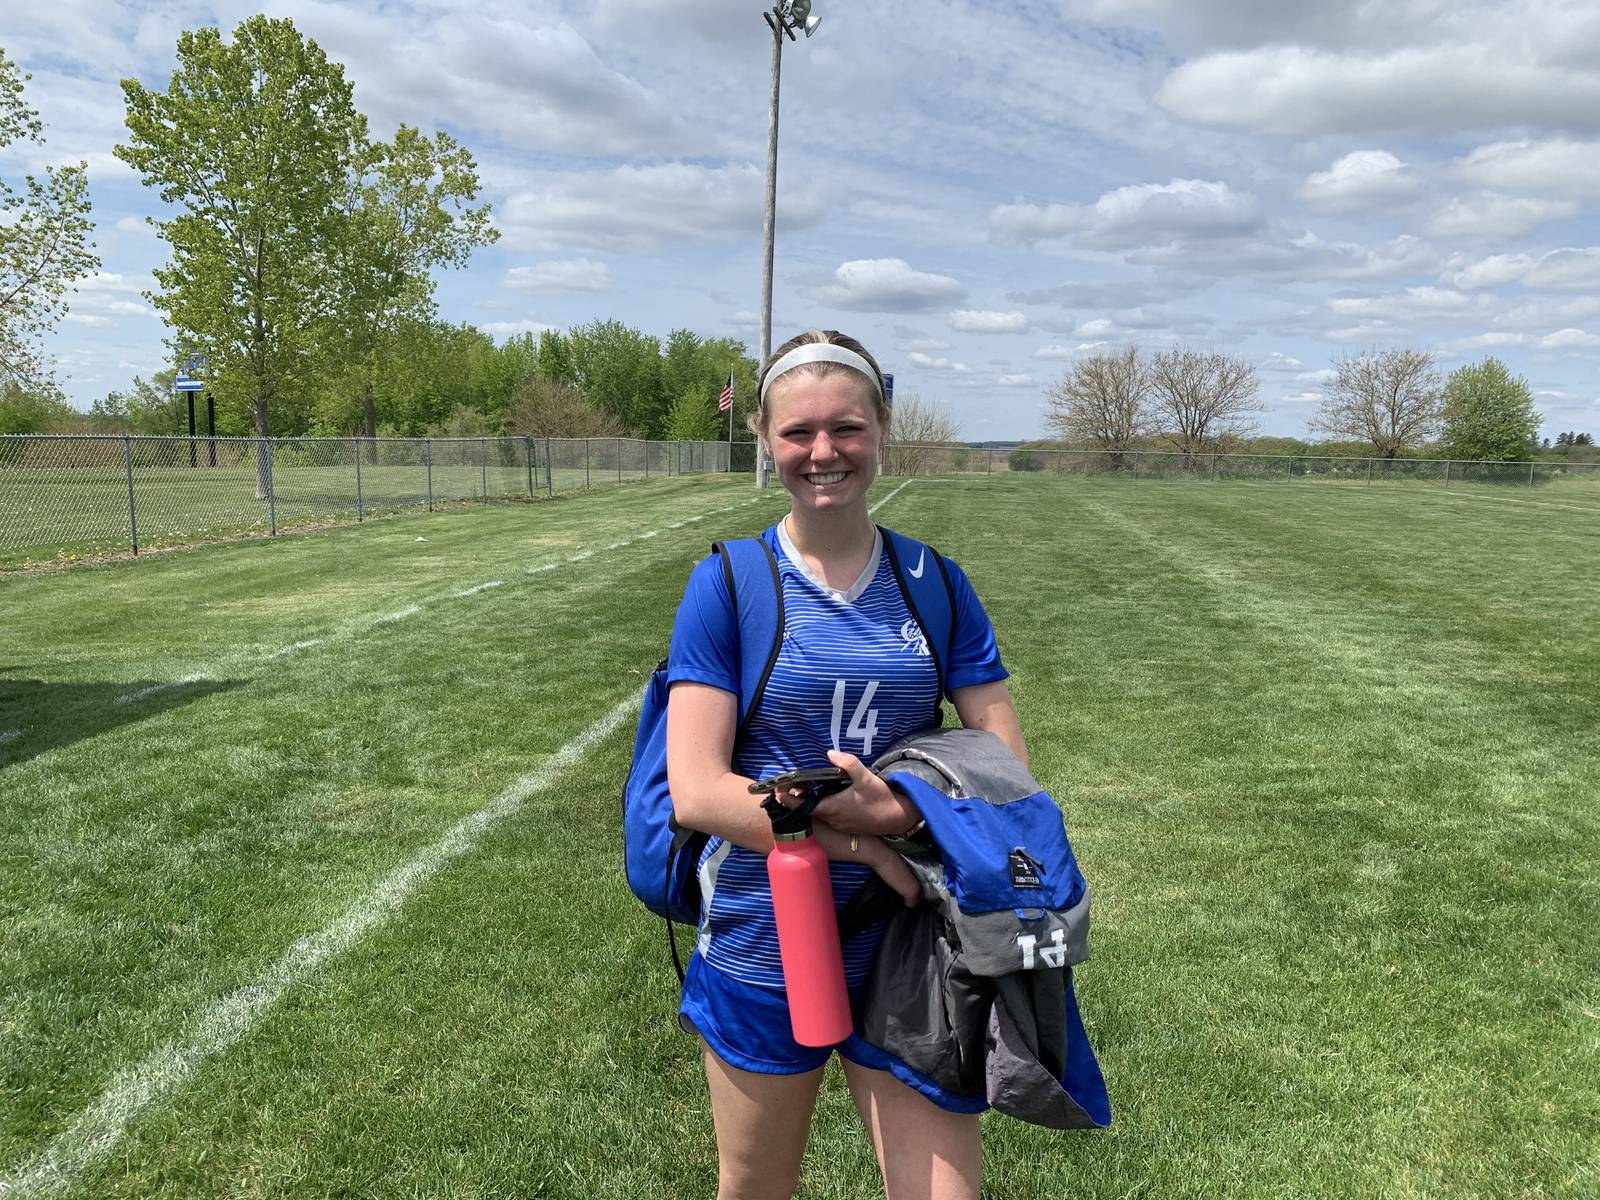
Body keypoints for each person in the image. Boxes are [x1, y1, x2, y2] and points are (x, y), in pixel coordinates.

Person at [665, 329, 1027, 1200]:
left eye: (847, 429)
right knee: (756, 1188)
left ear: (881, 429)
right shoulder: (730, 583)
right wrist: (864, 846)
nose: (823, 452)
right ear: (763, 436)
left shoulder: (934, 581)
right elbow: (699, 789)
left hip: (915, 942)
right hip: (765, 937)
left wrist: (902, 818)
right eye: (798, 433)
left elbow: (1008, 763)